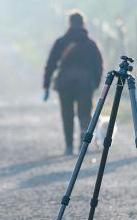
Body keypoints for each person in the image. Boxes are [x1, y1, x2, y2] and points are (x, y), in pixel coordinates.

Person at [43, 10, 103, 155]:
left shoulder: (61, 42)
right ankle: (83, 143)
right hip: (85, 83)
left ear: (69, 23)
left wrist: (46, 85)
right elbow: (98, 65)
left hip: (65, 83)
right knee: (84, 113)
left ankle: (69, 146)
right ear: (83, 24)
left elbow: (51, 63)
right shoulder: (90, 44)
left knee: (67, 114)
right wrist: (96, 83)